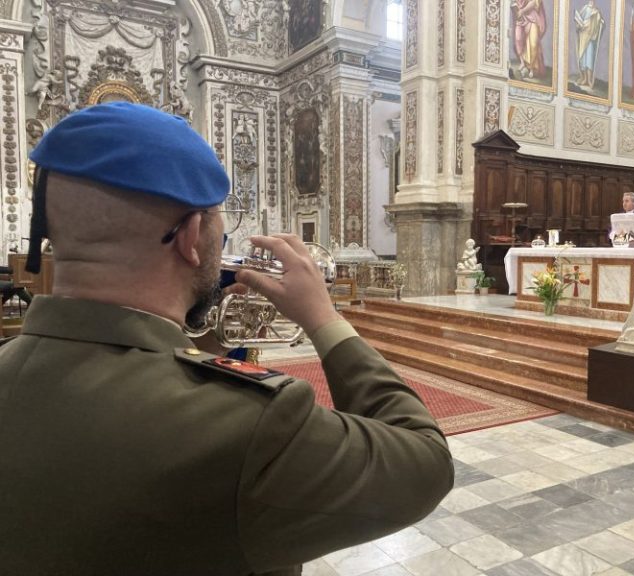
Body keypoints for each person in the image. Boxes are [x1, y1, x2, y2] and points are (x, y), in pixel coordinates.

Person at [0, 102, 454, 575]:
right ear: (192, 236)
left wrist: (191, 351)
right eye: (219, 219)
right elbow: (425, 463)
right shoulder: (251, 423)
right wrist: (325, 318)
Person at [574, 0, 604, 88]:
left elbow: (598, 23)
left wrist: (600, 23)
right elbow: (579, 19)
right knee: (582, 58)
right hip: (583, 36)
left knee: (589, 59)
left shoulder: (596, 12)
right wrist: (579, 25)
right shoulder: (585, 9)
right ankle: (584, 78)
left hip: (590, 38)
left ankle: (589, 80)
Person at [514, 0, 547, 79]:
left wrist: (523, 10)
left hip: (533, 18)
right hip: (521, 18)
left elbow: (535, 2)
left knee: (533, 43)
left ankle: (532, 67)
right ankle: (522, 62)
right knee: (518, 39)